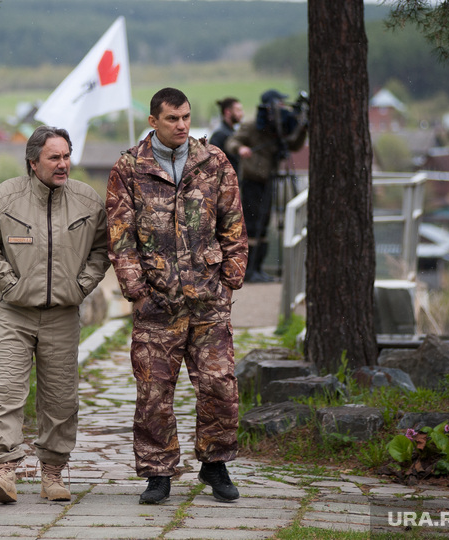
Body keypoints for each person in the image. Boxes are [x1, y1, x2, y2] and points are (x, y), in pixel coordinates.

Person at [106, 87, 248, 505]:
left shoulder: (213, 161)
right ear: (153, 121)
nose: (182, 125)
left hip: (208, 300)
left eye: (186, 116)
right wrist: (137, 291)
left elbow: (234, 222)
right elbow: (120, 236)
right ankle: (158, 472)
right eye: (172, 118)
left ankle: (215, 464)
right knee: (154, 391)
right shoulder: (130, 168)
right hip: (157, 302)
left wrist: (230, 278)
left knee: (219, 384)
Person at [0, 125, 110, 504]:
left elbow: (103, 248)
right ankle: (4, 471)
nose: (63, 164)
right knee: (7, 392)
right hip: (14, 312)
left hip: (63, 315)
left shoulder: (87, 201)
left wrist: (82, 285)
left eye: (66, 156)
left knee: (61, 398)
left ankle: (52, 473)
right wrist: (8, 282)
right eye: (55, 157)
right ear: (33, 162)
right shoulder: (6, 196)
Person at [224, 89, 308, 283]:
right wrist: (241, 149)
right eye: (279, 103)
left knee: (264, 227)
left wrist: (302, 129)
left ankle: (259, 268)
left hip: (269, 179)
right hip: (253, 181)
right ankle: (249, 269)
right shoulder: (253, 125)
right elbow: (232, 141)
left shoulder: (278, 126)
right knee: (253, 226)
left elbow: (293, 146)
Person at [209, 97, 250, 179]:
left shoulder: (233, 132)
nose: (241, 113)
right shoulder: (219, 135)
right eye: (238, 110)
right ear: (227, 112)